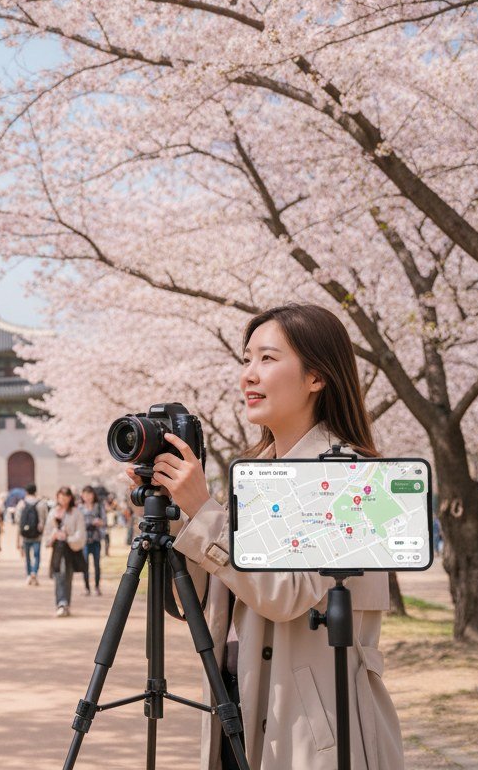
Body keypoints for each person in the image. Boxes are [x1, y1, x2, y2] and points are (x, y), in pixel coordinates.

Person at [130, 303, 404, 770]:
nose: (249, 375)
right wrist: (174, 511)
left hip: (313, 728)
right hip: (237, 703)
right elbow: (198, 600)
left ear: (317, 377)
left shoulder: (352, 478)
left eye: (268, 358)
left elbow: (285, 594)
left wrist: (205, 511)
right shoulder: (257, 473)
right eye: (246, 360)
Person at [44, 487, 85, 617]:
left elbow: (80, 533)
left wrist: (67, 537)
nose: (63, 499)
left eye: (66, 497)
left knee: (67, 576)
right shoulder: (52, 513)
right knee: (59, 575)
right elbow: (47, 532)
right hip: (57, 549)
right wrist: (54, 536)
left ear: (70, 498)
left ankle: (65, 603)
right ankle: (61, 603)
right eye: (61, 497)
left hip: (70, 549)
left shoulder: (76, 513)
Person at [17, 484, 46, 585]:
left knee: (27, 557)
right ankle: (34, 572)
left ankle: (29, 574)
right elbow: (44, 518)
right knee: (36, 555)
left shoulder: (21, 503)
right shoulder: (41, 504)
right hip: (37, 534)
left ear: (26, 491)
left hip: (25, 534)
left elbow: (18, 520)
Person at [80, 485, 105, 596]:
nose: (88, 497)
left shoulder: (98, 507)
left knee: (96, 564)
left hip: (96, 539)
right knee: (85, 564)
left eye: (90, 494)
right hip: (84, 540)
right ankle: (87, 588)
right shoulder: (79, 508)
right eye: (85, 494)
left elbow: (104, 521)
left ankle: (97, 587)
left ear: (93, 495)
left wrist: (99, 522)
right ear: (82, 495)